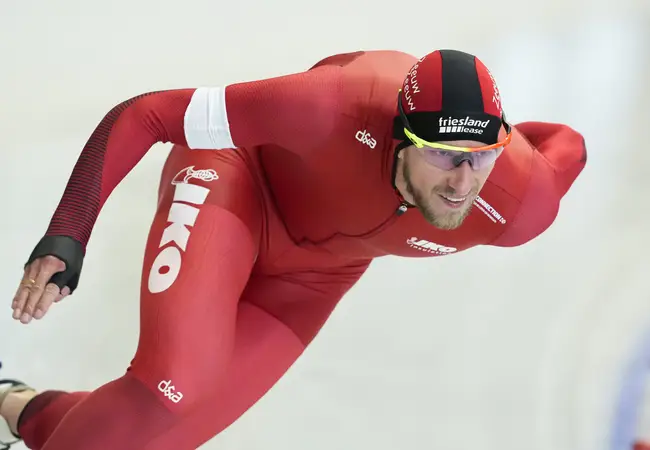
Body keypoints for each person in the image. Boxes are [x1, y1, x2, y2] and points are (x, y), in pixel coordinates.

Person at [0, 48, 587, 449]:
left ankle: (15, 404)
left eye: (480, 157)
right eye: (441, 153)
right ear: (399, 135)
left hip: (315, 278)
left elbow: (569, 145)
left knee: (163, 436)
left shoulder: (518, 201)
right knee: (173, 386)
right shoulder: (330, 106)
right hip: (236, 183)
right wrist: (69, 231)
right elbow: (147, 114)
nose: (461, 183)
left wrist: (493, 149)